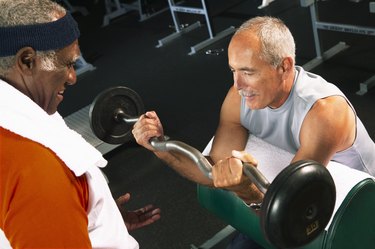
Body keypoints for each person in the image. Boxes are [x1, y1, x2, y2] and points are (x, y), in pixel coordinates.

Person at [132, 16, 375, 249]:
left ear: (284, 65)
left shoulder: (323, 112)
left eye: (248, 72)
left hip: (356, 216)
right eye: (233, 70)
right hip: (284, 205)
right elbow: (214, 170)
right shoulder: (238, 99)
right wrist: (160, 147)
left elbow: (292, 208)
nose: (238, 85)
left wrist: (246, 191)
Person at [0, 0, 160, 248]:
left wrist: (97, 223)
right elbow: (40, 197)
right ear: (27, 61)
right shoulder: (39, 171)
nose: (73, 77)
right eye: (68, 64)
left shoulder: (14, 126)